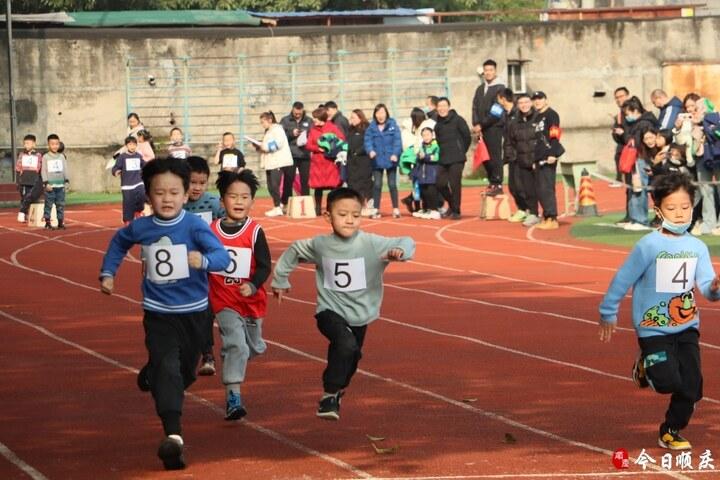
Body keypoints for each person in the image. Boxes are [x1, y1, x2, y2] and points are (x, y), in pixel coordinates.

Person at [99, 157, 230, 471]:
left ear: (186, 195)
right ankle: (173, 435)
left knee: (184, 373)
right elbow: (119, 242)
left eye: (174, 192)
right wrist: (108, 272)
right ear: (148, 195)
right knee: (169, 368)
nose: (167, 198)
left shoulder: (195, 225)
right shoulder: (142, 227)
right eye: (159, 192)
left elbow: (222, 256)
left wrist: (205, 261)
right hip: (158, 313)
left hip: (195, 314)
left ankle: (153, 373)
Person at [599, 173, 720, 451]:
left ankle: (670, 429)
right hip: (652, 327)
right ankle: (645, 366)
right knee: (666, 382)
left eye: (685, 207)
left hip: (687, 326)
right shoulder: (649, 245)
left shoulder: (697, 247)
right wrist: (608, 311)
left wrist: (715, 288)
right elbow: (623, 278)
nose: (679, 214)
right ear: (658, 210)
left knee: (692, 388)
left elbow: (707, 288)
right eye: (672, 208)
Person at [271, 187, 415, 420]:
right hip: (329, 311)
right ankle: (329, 395)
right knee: (345, 344)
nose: (349, 220)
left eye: (355, 215)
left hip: (360, 315)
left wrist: (401, 250)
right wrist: (280, 279)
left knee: (352, 354)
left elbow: (407, 240)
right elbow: (295, 249)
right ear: (328, 216)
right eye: (342, 214)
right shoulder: (320, 244)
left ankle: (338, 390)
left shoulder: (371, 243)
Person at [209, 169, 271, 420]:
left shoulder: (255, 232)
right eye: (232, 197)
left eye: (244, 197)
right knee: (234, 343)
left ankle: (247, 349)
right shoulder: (211, 231)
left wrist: (254, 285)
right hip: (223, 299)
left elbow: (265, 265)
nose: (238, 202)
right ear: (222, 200)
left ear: (252, 202)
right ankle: (233, 396)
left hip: (252, 300)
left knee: (250, 347)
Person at [183, 156, 226, 376]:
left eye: (202, 182)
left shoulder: (213, 203)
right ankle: (201, 351)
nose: (197, 188)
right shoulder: (176, 205)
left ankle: (208, 354)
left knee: (208, 311)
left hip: (211, 266)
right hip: (185, 270)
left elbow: (231, 224)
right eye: (192, 182)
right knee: (195, 315)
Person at [616, 96, 659, 228]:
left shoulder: (644, 123)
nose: (627, 116)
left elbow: (638, 141)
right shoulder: (638, 123)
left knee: (640, 189)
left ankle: (640, 219)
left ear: (635, 110)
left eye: (628, 113)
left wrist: (624, 134)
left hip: (641, 158)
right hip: (637, 159)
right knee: (635, 188)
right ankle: (635, 218)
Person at [506, 94, 541, 227]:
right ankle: (533, 213)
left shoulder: (538, 118)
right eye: (521, 103)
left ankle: (550, 214)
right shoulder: (514, 122)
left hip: (538, 160)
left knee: (543, 189)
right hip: (522, 161)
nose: (524, 105)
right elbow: (509, 141)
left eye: (526, 102)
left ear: (531, 103)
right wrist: (512, 157)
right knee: (528, 189)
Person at [471, 59, 505, 196]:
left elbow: (496, 111)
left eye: (491, 70)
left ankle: (497, 183)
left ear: (495, 71)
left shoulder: (500, 88)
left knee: (494, 156)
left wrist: (482, 124)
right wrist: (475, 124)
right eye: (486, 70)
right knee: (484, 156)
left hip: (494, 128)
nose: (488, 73)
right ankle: (491, 182)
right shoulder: (480, 89)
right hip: (481, 129)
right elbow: (474, 107)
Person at [531, 92, 565, 230]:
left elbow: (555, 135)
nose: (537, 102)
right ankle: (546, 216)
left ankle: (552, 217)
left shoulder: (552, 115)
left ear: (546, 100)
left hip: (548, 156)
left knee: (547, 188)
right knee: (539, 189)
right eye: (535, 100)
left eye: (540, 99)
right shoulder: (536, 117)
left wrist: (552, 153)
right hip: (538, 156)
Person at [435, 97, 472, 220]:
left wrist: (461, 150)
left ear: (449, 107)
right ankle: (452, 204)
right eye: (439, 106)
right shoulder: (437, 124)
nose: (442, 109)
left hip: (457, 157)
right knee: (439, 183)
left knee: (455, 184)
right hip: (443, 158)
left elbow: (467, 136)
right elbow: (439, 141)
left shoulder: (458, 120)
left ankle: (456, 210)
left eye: (444, 106)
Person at [365, 104, 403, 219]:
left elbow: (397, 141)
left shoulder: (393, 126)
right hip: (377, 160)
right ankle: (376, 209)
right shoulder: (371, 127)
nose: (380, 115)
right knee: (377, 184)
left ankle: (396, 209)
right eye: (378, 113)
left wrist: (395, 154)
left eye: (382, 112)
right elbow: (367, 141)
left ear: (386, 113)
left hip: (391, 159)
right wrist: (370, 150)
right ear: (375, 114)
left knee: (392, 184)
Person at [497, 87, 528, 223]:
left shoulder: (518, 113)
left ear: (503, 99)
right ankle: (522, 209)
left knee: (520, 185)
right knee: (512, 186)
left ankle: (528, 210)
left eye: (498, 99)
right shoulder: (504, 114)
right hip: (510, 155)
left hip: (519, 154)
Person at [306, 106, 344, 216]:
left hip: (330, 163)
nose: (313, 120)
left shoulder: (333, 128)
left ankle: (329, 208)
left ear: (321, 118)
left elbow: (341, 140)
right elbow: (308, 145)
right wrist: (318, 148)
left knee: (333, 187)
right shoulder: (313, 130)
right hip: (317, 162)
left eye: (315, 118)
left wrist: (332, 148)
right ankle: (317, 208)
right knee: (318, 187)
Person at [256, 111, 294, 217]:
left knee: (274, 185)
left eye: (263, 122)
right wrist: (259, 146)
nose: (262, 124)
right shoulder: (268, 131)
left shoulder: (277, 129)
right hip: (270, 162)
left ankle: (278, 207)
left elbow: (278, 143)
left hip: (278, 162)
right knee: (270, 186)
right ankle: (280, 204)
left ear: (270, 120)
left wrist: (264, 147)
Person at [112, 136, 147, 225]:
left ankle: (138, 211)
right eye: (130, 144)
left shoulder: (138, 156)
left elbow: (144, 165)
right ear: (126, 146)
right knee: (128, 203)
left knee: (142, 196)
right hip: (127, 185)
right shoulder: (122, 157)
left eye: (134, 144)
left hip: (138, 182)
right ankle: (127, 220)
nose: (132, 146)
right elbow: (116, 167)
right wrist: (116, 171)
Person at [281, 102, 313, 195]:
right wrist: (291, 133)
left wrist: (306, 135)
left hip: (304, 154)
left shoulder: (309, 120)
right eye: (296, 113)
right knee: (288, 180)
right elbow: (280, 136)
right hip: (291, 155)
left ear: (303, 110)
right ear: (293, 109)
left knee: (305, 181)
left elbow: (313, 135)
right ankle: (286, 202)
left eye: (299, 113)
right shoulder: (285, 120)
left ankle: (306, 202)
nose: (297, 115)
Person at [346, 109, 373, 212]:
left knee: (365, 182)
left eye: (353, 117)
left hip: (364, 161)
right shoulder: (350, 129)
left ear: (360, 118)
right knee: (353, 183)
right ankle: (358, 204)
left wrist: (358, 152)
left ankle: (369, 202)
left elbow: (368, 143)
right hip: (351, 161)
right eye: (351, 117)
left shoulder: (367, 128)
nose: (351, 119)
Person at [41, 134, 69, 230]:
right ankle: (47, 222)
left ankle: (60, 222)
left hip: (60, 185)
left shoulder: (61, 157)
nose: (55, 146)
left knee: (60, 204)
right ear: (48, 145)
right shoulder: (45, 157)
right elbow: (43, 170)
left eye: (57, 144)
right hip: (50, 186)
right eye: (52, 144)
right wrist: (46, 183)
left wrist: (66, 181)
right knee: (48, 204)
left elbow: (65, 169)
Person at [412, 127, 441, 220]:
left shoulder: (436, 145)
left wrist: (426, 157)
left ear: (432, 135)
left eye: (428, 134)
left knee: (431, 191)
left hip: (432, 173)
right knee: (424, 192)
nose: (426, 137)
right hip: (423, 174)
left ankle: (435, 209)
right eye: (424, 135)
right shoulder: (422, 146)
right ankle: (427, 209)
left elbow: (436, 157)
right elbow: (419, 158)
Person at [15, 134, 44, 223]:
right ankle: (25, 214)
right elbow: (18, 168)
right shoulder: (21, 154)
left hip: (34, 179)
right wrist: (18, 181)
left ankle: (23, 212)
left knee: (32, 197)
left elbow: (40, 168)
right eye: (25, 144)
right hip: (24, 180)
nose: (26, 145)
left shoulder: (39, 155)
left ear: (34, 144)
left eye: (28, 143)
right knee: (24, 197)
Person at [611, 87, 631, 187]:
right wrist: (615, 132)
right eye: (616, 97)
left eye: (621, 96)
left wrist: (623, 133)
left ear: (627, 96)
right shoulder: (619, 115)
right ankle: (619, 178)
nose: (619, 99)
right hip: (622, 146)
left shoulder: (634, 111)